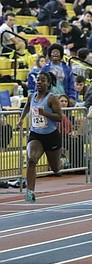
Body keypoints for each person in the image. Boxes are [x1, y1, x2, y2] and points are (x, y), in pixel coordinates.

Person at [15, 72, 63, 202]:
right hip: (36, 135)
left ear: (48, 83)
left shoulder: (52, 98)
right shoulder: (31, 97)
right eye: (38, 80)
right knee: (31, 160)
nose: (39, 82)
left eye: (43, 80)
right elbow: (26, 107)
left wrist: (45, 113)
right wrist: (20, 120)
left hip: (51, 136)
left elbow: (60, 118)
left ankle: (62, 162)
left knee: (55, 169)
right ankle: (30, 192)